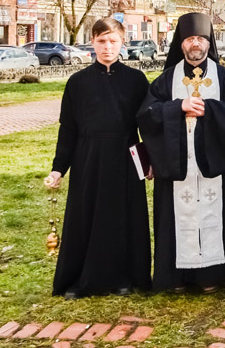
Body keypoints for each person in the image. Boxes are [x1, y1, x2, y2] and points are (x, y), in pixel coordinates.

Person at [137, 12, 225, 293]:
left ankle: (213, 274)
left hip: (213, 166)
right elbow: (147, 116)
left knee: (214, 214)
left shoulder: (224, 78)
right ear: (181, 44)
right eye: (189, 39)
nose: (195, 44)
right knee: (177, 215)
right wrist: (178, 108)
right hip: (177, 166)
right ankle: (177, 276)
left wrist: (210, 110)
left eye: (200, 38)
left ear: (209, 42)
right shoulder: (165, 80)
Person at [45, 17, 151, 299]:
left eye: (113, 41)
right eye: (102, 41)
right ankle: (83, 278)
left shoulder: (136, 80)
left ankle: (124, 277)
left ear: (122, 43)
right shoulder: (77, 83)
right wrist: (58, 169)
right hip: (88, 160)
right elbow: (68, 129)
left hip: (125, 161)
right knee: (87, 219)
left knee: (122, 219)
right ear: (92, 42)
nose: (107, 47)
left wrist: (150, 162)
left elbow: (148, 127)